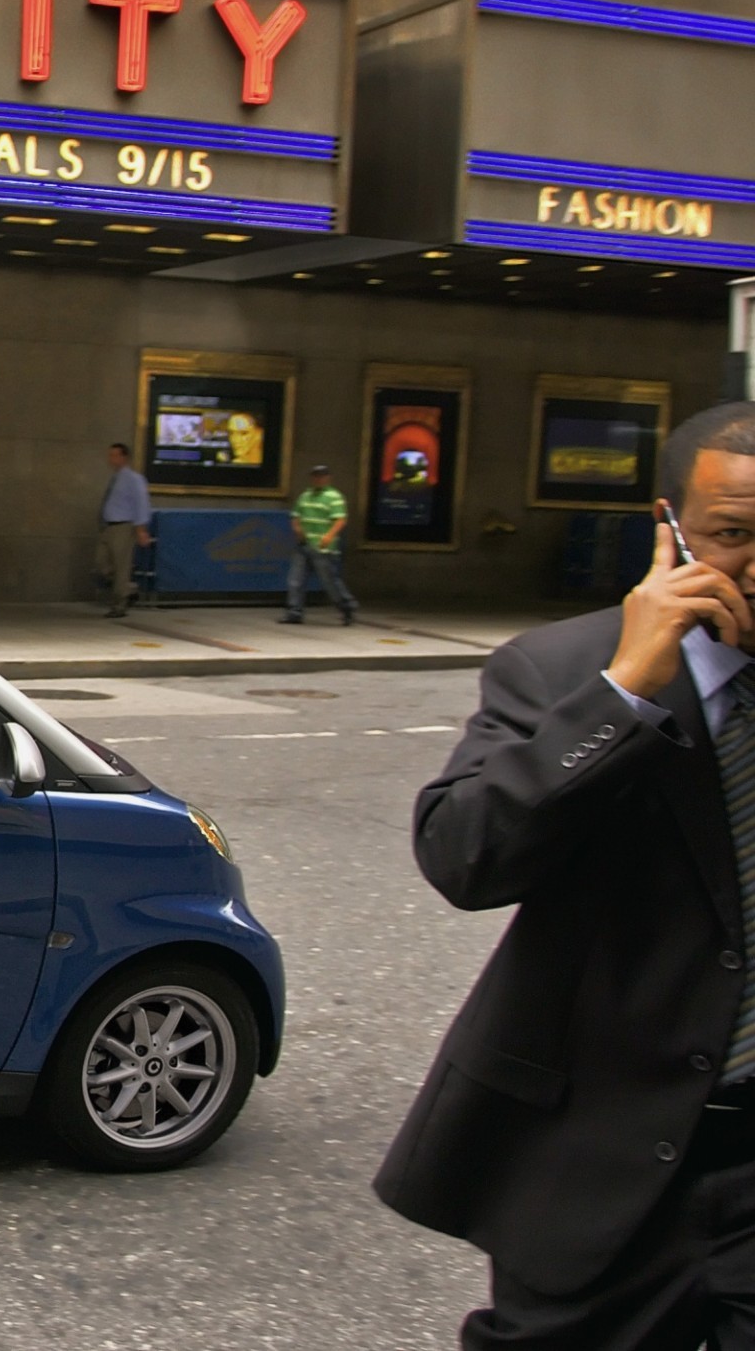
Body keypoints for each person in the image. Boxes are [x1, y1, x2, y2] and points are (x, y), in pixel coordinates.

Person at [375, 401, 755, 1347]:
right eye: (733, 536)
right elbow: (465, 854)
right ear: (667, 531)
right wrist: (625, 692)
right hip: (607, 1161)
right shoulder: (561, 671)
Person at [283, 462, 358, 626]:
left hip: (323, 547)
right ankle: (294, 612)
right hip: (304, 545)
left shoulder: (334, 496)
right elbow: (296, 515)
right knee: (295, 580)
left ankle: (347, 607)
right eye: (316, 476)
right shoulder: (305, 495)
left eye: (322, 476)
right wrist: (297, 529)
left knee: (330, 582)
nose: (318, 479)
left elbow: (340, 519)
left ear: (328, 478)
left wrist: (329, 536)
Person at [98, 442, 154, 619]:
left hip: (123, 527)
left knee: (121, 566)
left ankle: (119, 604)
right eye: (110, 455)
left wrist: (141, 529)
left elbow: (141, 504)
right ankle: (129, 589)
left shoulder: (133, 479)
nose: (111, 459)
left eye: (115, 455)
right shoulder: (116, 479)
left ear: (124, 457)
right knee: (101, 563)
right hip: (109, 527)